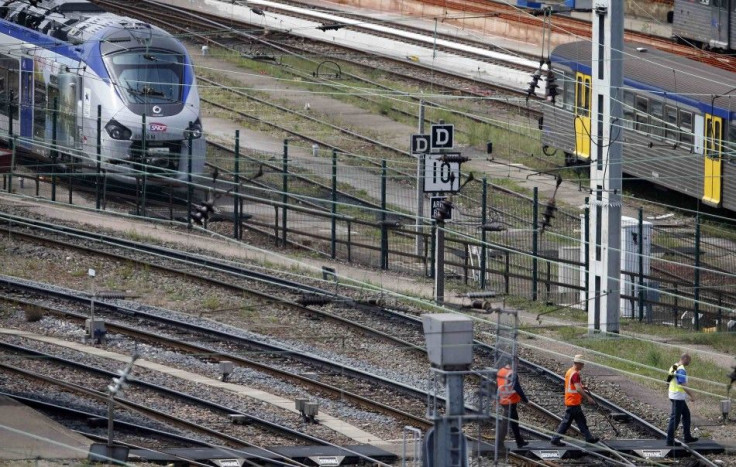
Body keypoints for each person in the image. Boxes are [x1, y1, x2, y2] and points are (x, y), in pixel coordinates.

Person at [550, 354, 599, 446]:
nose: (583, 366)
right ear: (578, 363)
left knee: (580, 421)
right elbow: (577, 389)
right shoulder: (575, 374)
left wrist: (583, 386)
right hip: (573, 401)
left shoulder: (570, 371)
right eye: (582, 364)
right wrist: (588, 398)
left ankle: (589, 438)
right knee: (567, 422)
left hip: (572, 401)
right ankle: (555, 439)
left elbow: (573, 385)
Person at [496, 358, 529, 451]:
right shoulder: (512, 374)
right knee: (506, 423)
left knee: (514, 422)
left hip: (503, 400)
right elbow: (517, 388)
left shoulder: (501, 371)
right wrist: (526, 400)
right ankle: (499, 445)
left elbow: (497, 385)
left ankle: (519, 441)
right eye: (517, 363)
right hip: (510, 401)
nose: (517, 365)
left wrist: (497, 398)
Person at [666, 353, 698, 446]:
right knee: (675, 418)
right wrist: (692, 395)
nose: (689, 362)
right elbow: (682, 384)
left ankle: (687, 436)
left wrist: (668, 386)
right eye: (689, 360)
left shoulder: (674, 366)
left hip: (674, 395)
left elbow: (668, 379)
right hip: (678, 397)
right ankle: (669, 440)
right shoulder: (681, 370)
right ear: (685, 358)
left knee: (686, 414)